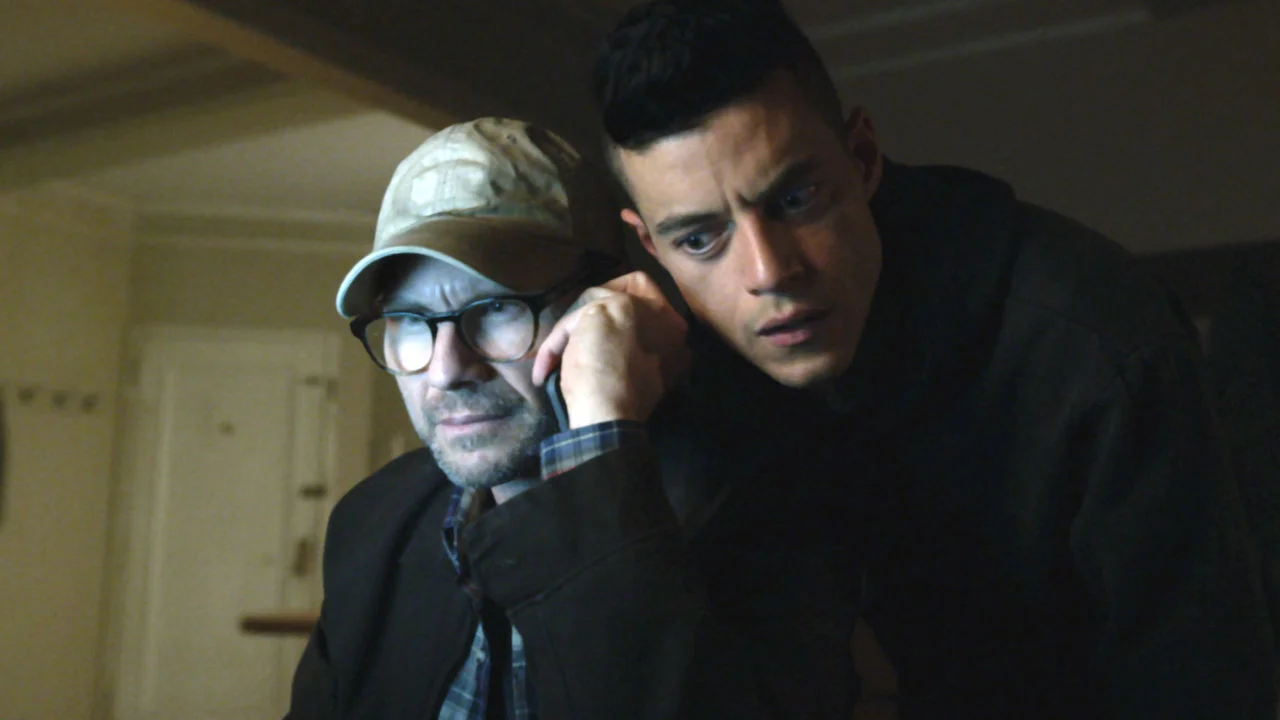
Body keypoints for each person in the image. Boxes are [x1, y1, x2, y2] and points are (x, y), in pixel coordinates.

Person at [529, 0, 1276, 717]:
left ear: (862, 158)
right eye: (700, 239)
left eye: (795, 199)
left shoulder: (1099, 344)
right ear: (652, 245)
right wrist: (605, 435)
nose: (769, 272)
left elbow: (1205, 690)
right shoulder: (672, 366)